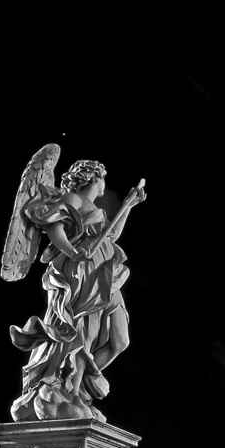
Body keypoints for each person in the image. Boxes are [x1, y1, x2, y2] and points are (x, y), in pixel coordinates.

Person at [9, 159, 146, 421]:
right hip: (81, 272)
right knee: (83, 333)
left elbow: (111, 235)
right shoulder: (72, 199)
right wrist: (73, 251)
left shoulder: (94, 208)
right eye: (103, 178)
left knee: (120, 341)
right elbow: (54, 226)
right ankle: (69, 388)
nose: (105, 184)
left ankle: (78, 386)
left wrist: (129, 204)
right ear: (94, 179)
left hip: (106, 274)